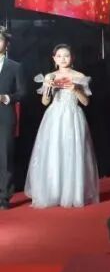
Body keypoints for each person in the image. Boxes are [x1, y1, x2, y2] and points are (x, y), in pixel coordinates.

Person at [24, 44, 99, 208]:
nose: (63, 59)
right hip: (54, 117)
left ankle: (72, 193)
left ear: (72, 58)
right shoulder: (50, 76)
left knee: (73, 152)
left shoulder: (79, 76)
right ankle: (53, 192)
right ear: (54, 59)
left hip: (73, 115)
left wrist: (75, 89)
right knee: (53, 152)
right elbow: (45, 102)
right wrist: (48, 89)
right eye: (59, 56)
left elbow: (86, 102)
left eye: (66, 55)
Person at [0, 27, 27, 210]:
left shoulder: (15, 66)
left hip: (5, 115)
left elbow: (23, 92)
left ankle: (4, 197)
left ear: (6, 44)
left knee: (5, 157)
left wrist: (7, 98)